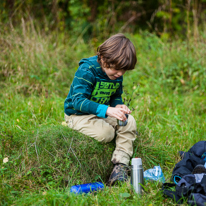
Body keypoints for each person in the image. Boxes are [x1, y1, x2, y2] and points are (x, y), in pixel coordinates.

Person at [64, 33, 137, 185]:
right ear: (104, 59)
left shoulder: (116, 74)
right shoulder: (87, 70)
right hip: (78, 115)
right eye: (117, 70)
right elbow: (78, 101)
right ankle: (69, 124)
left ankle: (120, 165)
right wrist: (107, 110)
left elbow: (115, 95)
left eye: (124, 71)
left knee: (129, 122)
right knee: (107, 133)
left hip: (102, 112)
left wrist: (117, 105)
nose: (120, 74)